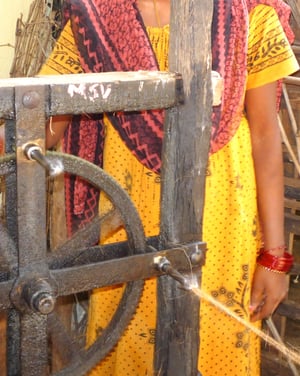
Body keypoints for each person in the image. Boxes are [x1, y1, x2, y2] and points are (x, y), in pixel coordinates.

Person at [40, 0, 299, 374]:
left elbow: (264, 135)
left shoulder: (249, 14)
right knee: (125, 337)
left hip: (220, 228)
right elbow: (42, 119)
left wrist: (275, 257)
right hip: (129, 226)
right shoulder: (95, 20)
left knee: (214, 343)